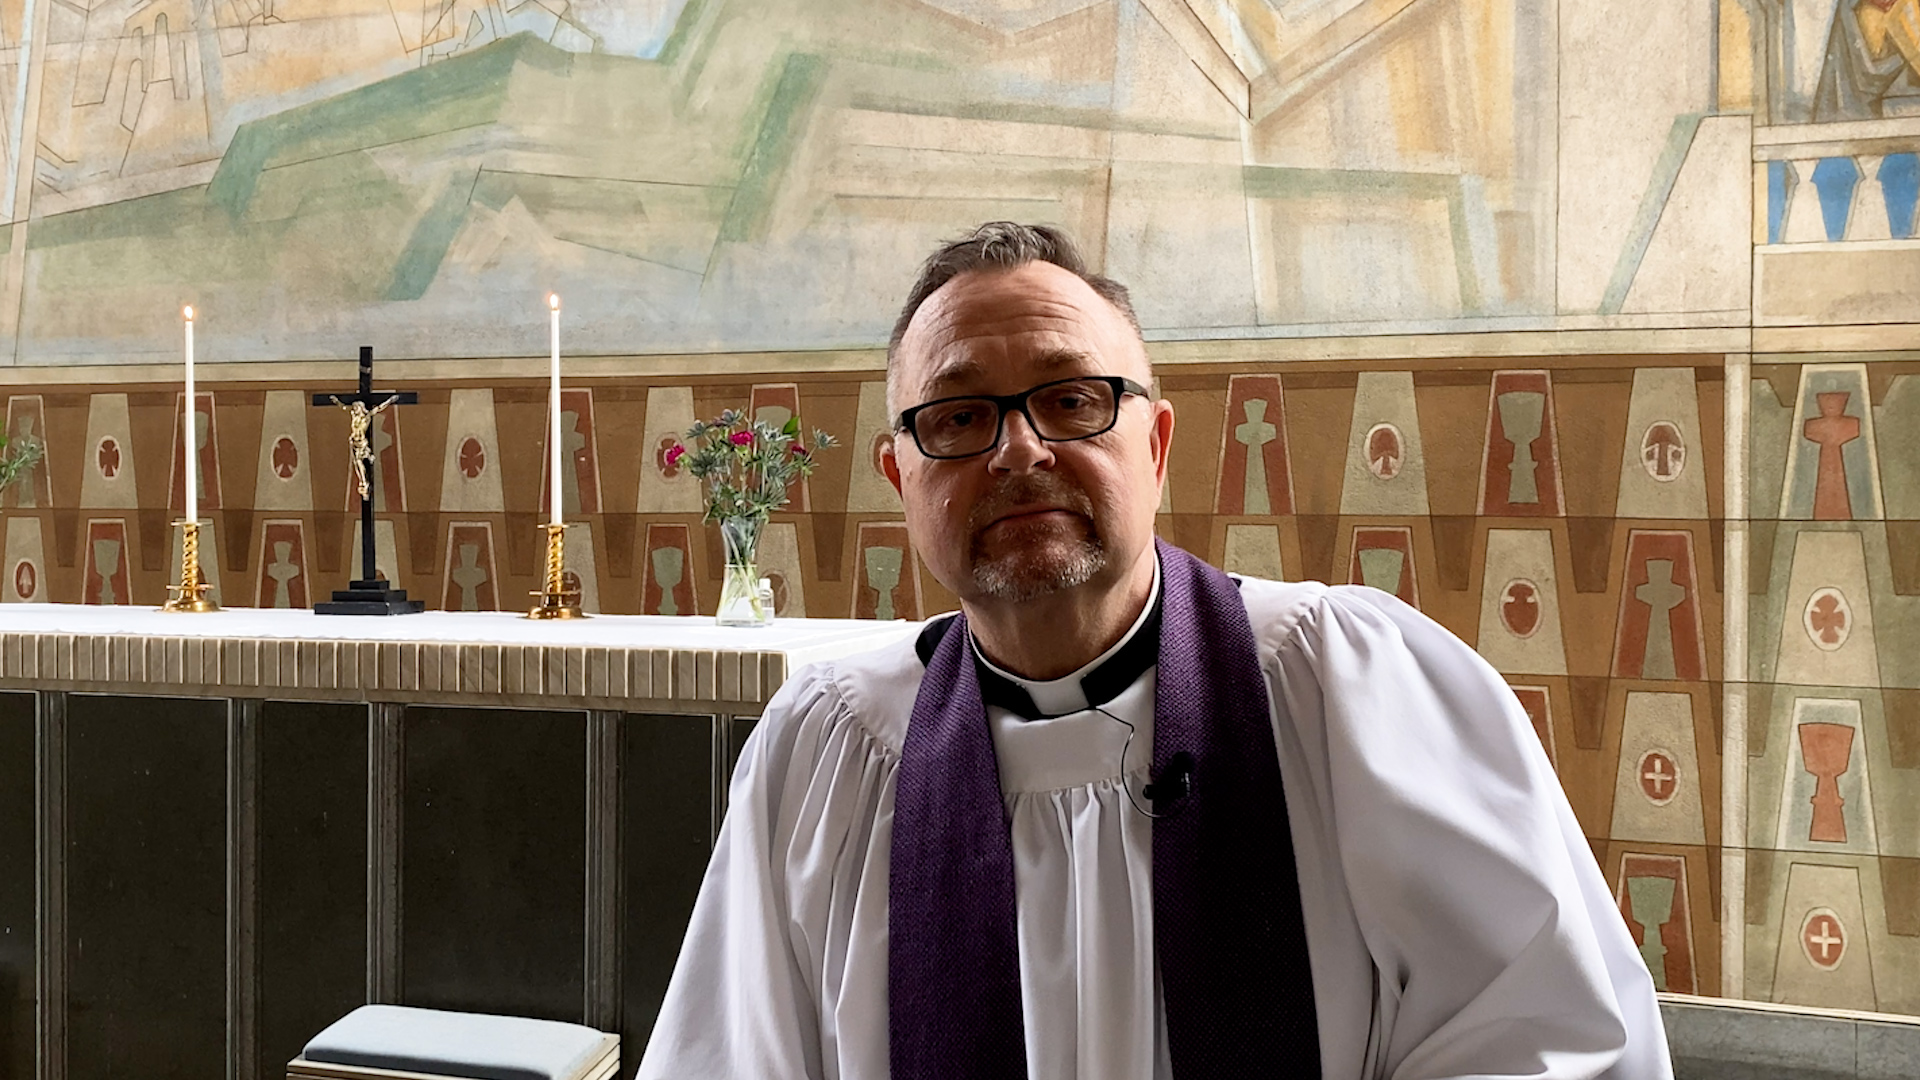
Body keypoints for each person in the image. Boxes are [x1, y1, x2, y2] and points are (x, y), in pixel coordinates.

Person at [638, 223, 1673, 1079]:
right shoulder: (831, 750)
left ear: (1158, 443)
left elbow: (1543, 1030)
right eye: (958, 417)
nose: (1020, 451)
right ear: (901, 477)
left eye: (1072, 401)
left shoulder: (1344, 686)